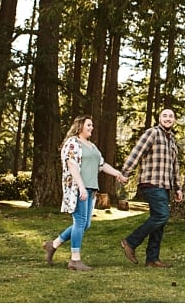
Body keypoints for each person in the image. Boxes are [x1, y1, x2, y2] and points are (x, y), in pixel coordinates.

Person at [43, 115, 127, 271]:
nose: (92, 127)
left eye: (92, 125)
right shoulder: (73, 143)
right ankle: (75, 260)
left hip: (91, 188)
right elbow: (72, 165)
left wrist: (117, 174)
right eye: (89, 124)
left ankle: (53, 245)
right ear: (80, 126)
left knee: (85, 224)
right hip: (77, 188)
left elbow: (101, 165)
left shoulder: (92, 146)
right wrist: (81, 187)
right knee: (80, 222)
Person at [119, 108, 183, 268]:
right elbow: (137, 152)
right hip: (150, 182)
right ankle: (130, 242)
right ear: (159, 118)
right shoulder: (152, 133)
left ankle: (152, 259)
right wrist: (125, 172)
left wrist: (178, 188)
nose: (168, 119)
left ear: (174, 120)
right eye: (165, 116)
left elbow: (175, 166)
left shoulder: (172, 140)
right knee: (162, 215)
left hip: (165, 185)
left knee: (159, 221)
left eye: (171, 116)